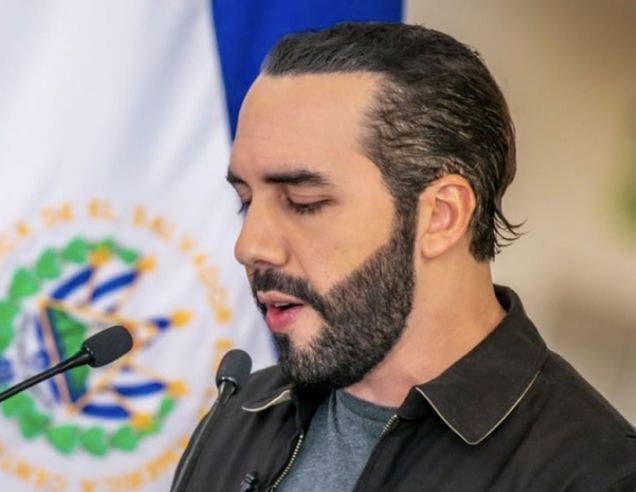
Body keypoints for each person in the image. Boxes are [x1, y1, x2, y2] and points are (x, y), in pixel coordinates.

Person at [175, 23, 636, 491]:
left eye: (304, 202)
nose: (249, 247)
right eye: (246, 201)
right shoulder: (243, 411)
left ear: (441, 215)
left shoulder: (596, 476)